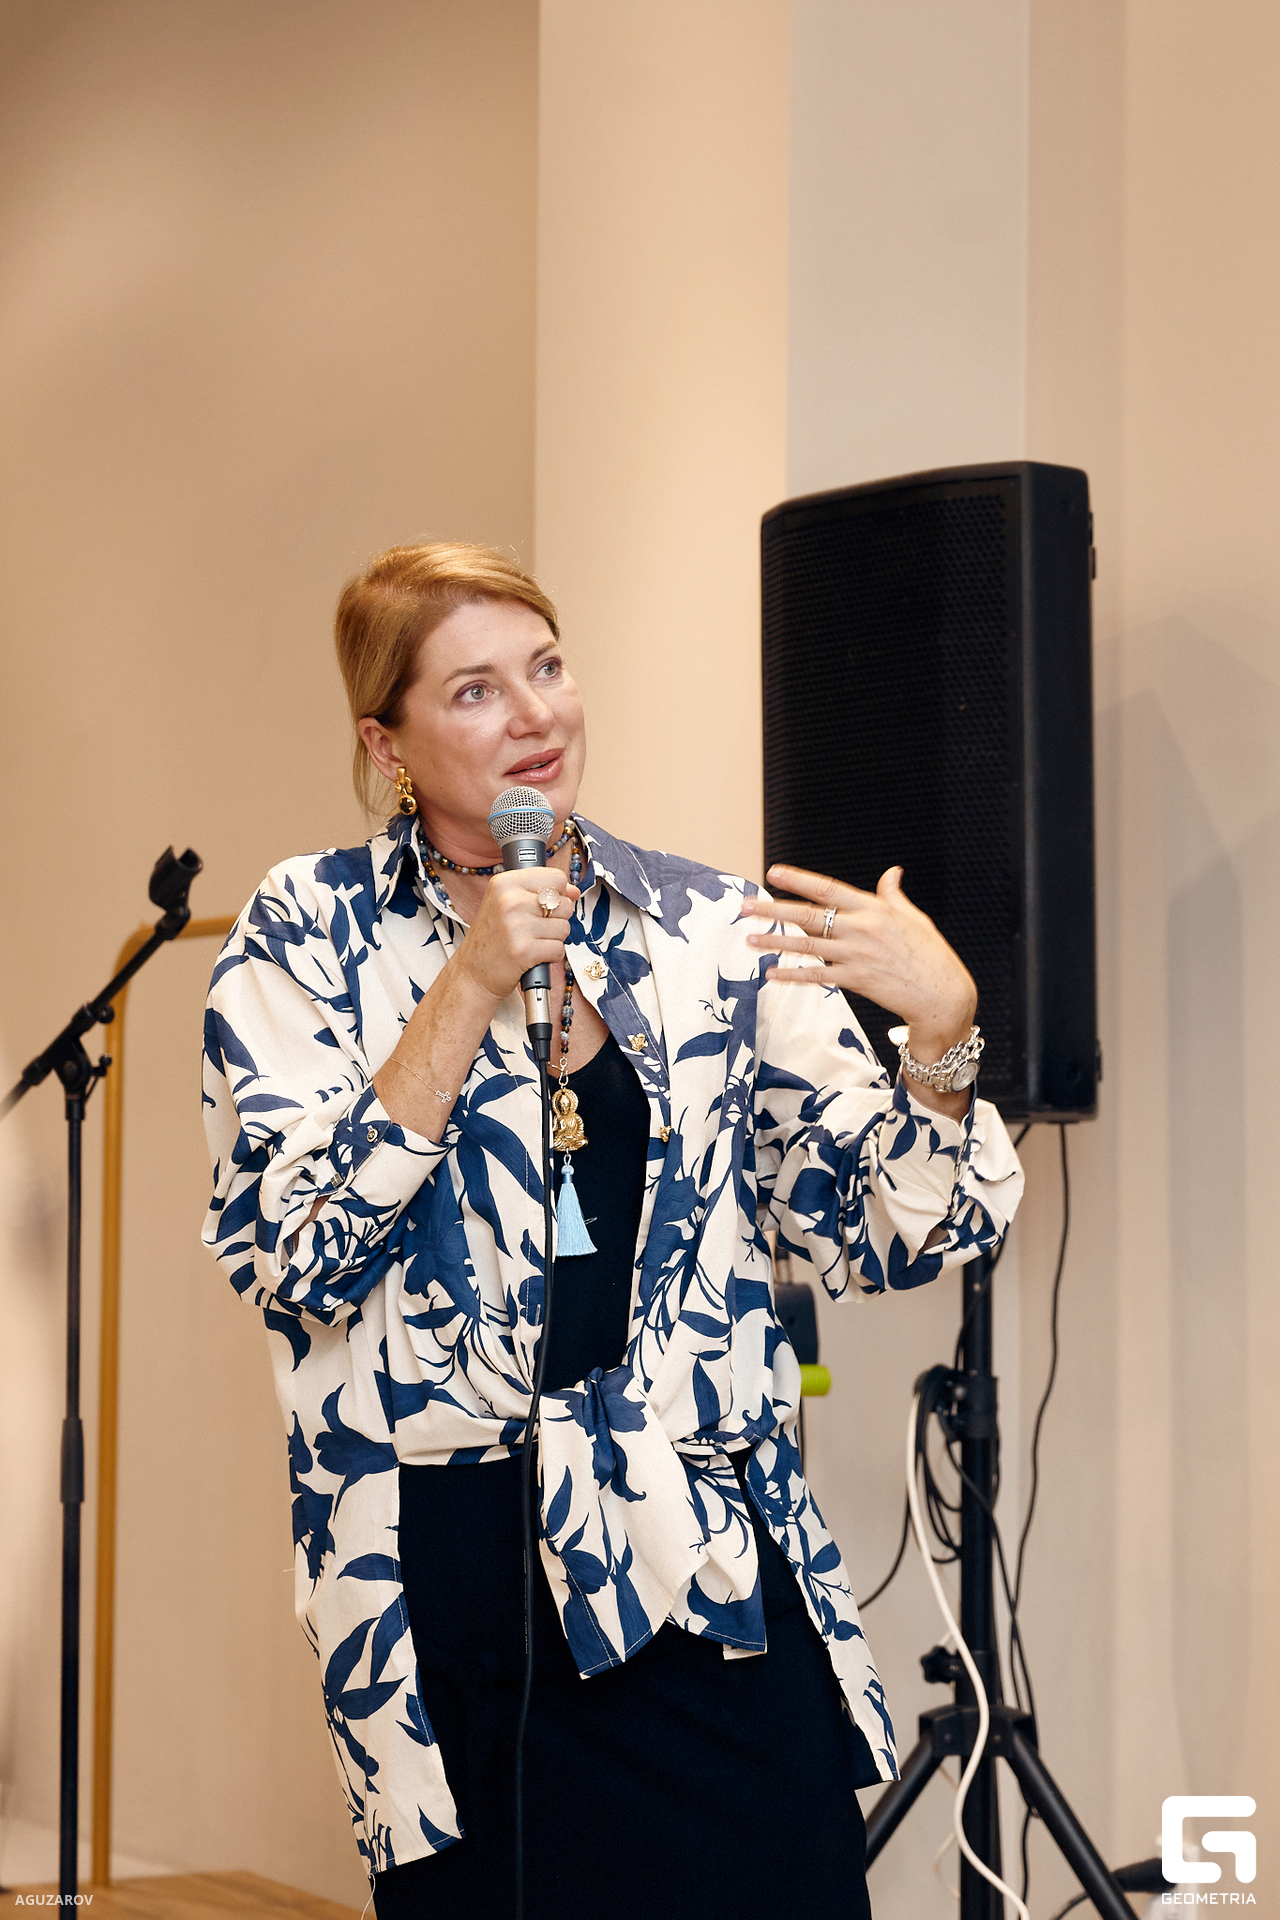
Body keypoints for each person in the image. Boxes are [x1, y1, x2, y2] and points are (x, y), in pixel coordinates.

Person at [201, 542, 1023, 1919]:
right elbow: (294, 1255)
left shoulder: (707, 926)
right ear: (386, 742)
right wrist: (467, 986)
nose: (536, 715)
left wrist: (942, 1038)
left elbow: (882, 1234)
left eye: (548, 667)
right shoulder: (305, 934)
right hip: (450, 1575)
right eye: (475, 690)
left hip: (699, 1543)